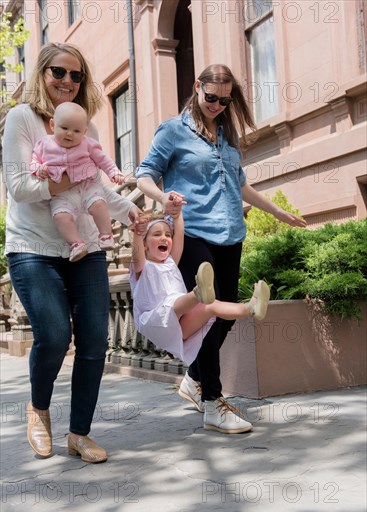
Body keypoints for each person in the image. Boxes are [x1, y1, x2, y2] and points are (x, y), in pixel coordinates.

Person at [136, 64, 306, 434]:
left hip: (231, 233)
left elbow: (240, 184)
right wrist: (164, 197)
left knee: (225, 315)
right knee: (209, 308)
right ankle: (213, 402)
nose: (216, 104)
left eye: (224, 100)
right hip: (192, 232)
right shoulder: (173, 131)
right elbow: (144, 174)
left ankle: (193, 379)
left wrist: (279, 211)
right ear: (197, 87)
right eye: (210, 97)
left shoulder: (227, 133)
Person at [2, 42, 143, 462]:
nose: (67, 81)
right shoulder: (21, 120)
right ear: (42, 73)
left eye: (76, 75)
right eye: (58, 72)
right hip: (34, 246)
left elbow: (95, 188)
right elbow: (20, 188)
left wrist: (128, 210)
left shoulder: (89, 129)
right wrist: (63, 181)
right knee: (54, 335)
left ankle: (79, 433)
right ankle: (39, 409)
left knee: (96, 341)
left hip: (86, 246)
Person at [130, 199, 270, 430]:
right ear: (145, 245)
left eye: (167, 234)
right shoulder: (142, 268)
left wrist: (177, 216)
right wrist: (137, 234)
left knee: (211, 306)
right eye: (156, 235)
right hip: (156, 321)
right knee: (178, 302)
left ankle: (250, 308)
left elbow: (180, 236)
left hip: (178, 324)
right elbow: (136, 256)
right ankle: (197, 292)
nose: (164, 238)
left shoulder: (171, 262)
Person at [30, 101, 125, 262]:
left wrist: (114, 172)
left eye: (76, 131)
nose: (70, 134)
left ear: (84, 132)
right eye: (64, 128)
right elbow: (33, 160)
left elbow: (103, 160)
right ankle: (76, 244)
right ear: (53, 125)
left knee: (99, 205)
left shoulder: (88, 144)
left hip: (87, 186)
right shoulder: (44, 143)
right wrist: (38, 169)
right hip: (61, 192)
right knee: (60, 217)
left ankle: (106, 235)